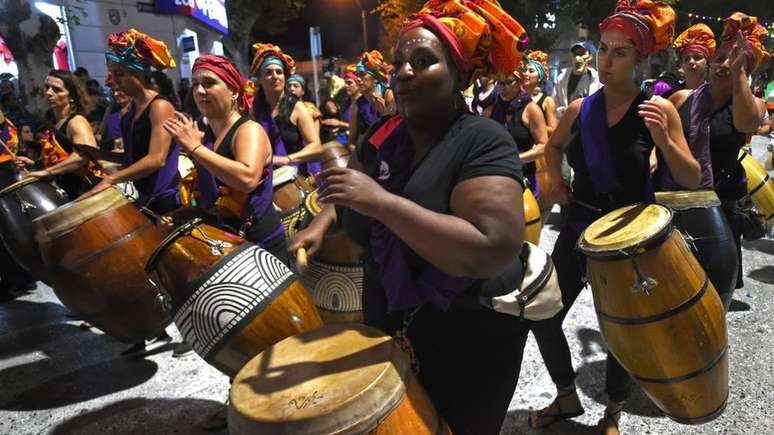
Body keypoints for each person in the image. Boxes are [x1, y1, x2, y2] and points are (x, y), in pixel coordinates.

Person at [291, 1, 531, 433]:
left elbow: (491, 248)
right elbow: (353, 189)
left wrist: (382, 203)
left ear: (459, 75)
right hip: (391, 313)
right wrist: (321, 221)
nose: (403, 72)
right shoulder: (383, 134)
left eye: (423, 62)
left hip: (467, 332)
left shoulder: (483, 139)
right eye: (398, 62)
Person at [527, 2, 701, 434]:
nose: (606, 60)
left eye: (619, 52)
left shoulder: (656, 110)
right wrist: (551, 180)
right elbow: (551, 148)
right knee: (544, 316)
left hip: (629, 237)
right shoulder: (578, 110)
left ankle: (613, 412)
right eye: (604, 49)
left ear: (640, 58)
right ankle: (567, 398)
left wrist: (664, 138)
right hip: (578, 228)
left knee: (623, 332)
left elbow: (691, 175)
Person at [668, 12, 768, 304]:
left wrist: (738, 74)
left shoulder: (751, 105)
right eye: (721, 57)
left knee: (710, 298)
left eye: (736, 61)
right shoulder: (682, 98)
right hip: (675, 202)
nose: (724, 64)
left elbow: (748, 124)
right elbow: (660, 142)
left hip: (718, 209)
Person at [163, 55, 288, 264]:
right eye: (195, 85)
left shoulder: (249, 130)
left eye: (210, 83)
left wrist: (194, 148)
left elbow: (247, 180)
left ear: (234, 92)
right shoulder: (208, 134)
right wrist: (179, 216)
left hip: (260, 247)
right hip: (227, 244)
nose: (200, 91)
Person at [22, 70, 101, 199]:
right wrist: (32, 164)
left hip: (89, 193)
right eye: (47, 87)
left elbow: (84, 155)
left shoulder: (76, 122)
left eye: (56, 90)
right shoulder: (54, 123)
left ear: (71, 97)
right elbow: (61, 160)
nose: (48, 93)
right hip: (72, 195)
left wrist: (47, 172)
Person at [250, 43, 322, 175]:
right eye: (268, 72)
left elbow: (316, 146)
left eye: (279, 72)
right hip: (263, 176)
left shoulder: (297, 107)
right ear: (260, 79)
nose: (275, 76)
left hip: (295, 177)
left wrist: (287, 159)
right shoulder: (254, 110)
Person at [483, 66, 548, 200]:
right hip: (496, 179)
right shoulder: (492, 107)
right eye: (500, 83)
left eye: (508, 82)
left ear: (519, 83)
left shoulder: (531, 110)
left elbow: (543, 147)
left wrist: (516, 159)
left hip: (523, 179)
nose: (503, 87)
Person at [0, 109, 36, 301]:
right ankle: (20, 279)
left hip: (3, 174)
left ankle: (15, 282)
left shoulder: (4, 123)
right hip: (6, 173)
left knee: (6, 232)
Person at [347, 50, 394, 146]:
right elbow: (351, 143)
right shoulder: (358, 104)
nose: (358, 79)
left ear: (375, 77)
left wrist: (384, 113)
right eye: (357, 75)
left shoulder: (388, 95)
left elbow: (398, 132)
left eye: (362, 75)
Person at [555, 40, 601, 118]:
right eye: (575, 55)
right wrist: (563, 111)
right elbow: (555, 103)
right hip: (568, 125)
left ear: (590, 57)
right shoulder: (561, 79)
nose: (577, 58)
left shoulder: (598, 80)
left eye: (582, 54)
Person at [673, 23, 716, 90]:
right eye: (687, 59)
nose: (691, 61)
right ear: (681, 65)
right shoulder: (669, 92)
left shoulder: (715, 94)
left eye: (697, 58)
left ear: (707, 63)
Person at [525, 51, 559, 135]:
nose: (526, 74)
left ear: (539, 77)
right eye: (524, 70)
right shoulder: (517, 98)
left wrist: (531, 125)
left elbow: (553, 130)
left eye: (531, 71)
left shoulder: (547, 101)